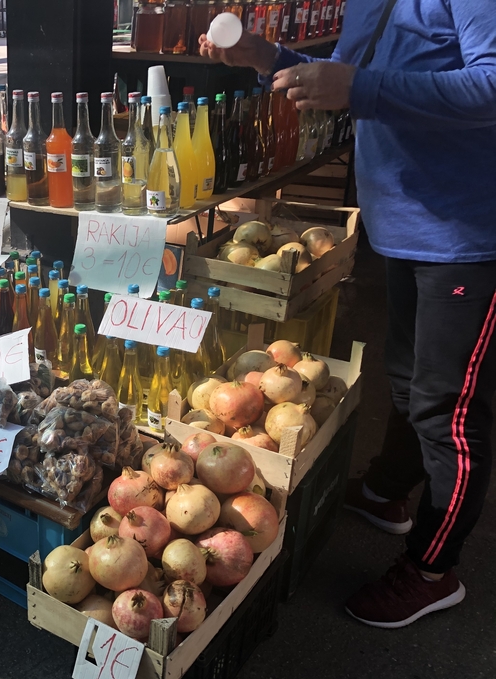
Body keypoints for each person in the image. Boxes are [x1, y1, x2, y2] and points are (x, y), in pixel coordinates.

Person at [199, 1, 496, 629]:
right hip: (408, 229)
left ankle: (433, 571)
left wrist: (362, 88)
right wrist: (265, 57)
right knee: (409, 382)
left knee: (449, 412)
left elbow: (490, 84)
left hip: (469, 237)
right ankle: (388, 489)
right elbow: (341, 78)